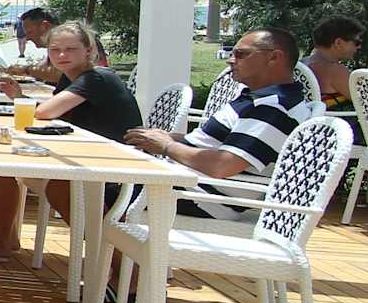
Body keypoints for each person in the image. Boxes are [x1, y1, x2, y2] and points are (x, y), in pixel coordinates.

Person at [0, 21, 141, 263]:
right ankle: (3, 239)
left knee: (57, 187)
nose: (62, 55)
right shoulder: (71, 78)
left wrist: (23, 101)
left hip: (120, 172)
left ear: (88, 50)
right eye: (55, 50)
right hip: (86, 158)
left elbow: (44, 113)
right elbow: (55, 114)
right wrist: (20, 97)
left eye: (70, 49)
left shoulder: (97, 78)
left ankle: (118, 267)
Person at [127, 27, 320, 220]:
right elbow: (220, 145)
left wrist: (167, 146)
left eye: (241, 54)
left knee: (111, 186)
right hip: (184, 183)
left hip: (198, 198)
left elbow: (222, 165)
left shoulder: (274, 108)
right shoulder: (261, 99)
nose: (230, 60)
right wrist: (170, 138)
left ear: (274, 58)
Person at [303, 15, 360, 109]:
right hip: (339, 118)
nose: (358, 47)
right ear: (338, 43)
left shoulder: (301, 65)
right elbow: (363, 102)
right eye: (356, 43)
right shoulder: (335, 71)